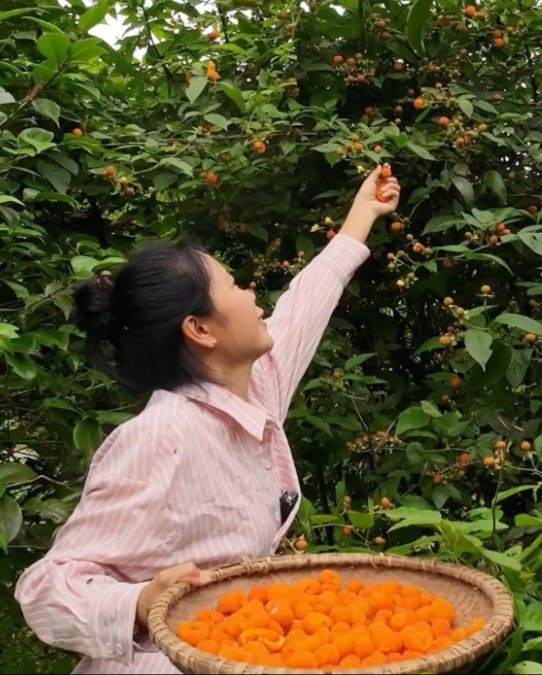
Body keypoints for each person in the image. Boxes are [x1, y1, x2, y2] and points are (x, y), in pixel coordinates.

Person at [15, 165, 400, 674]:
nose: (251, 294)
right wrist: (136, 602)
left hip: (236, 651)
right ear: (199, 328)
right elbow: (44, 588)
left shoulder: (253, 388)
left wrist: (361, 215)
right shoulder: (160, 437)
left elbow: (305, 303)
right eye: (235, 285)